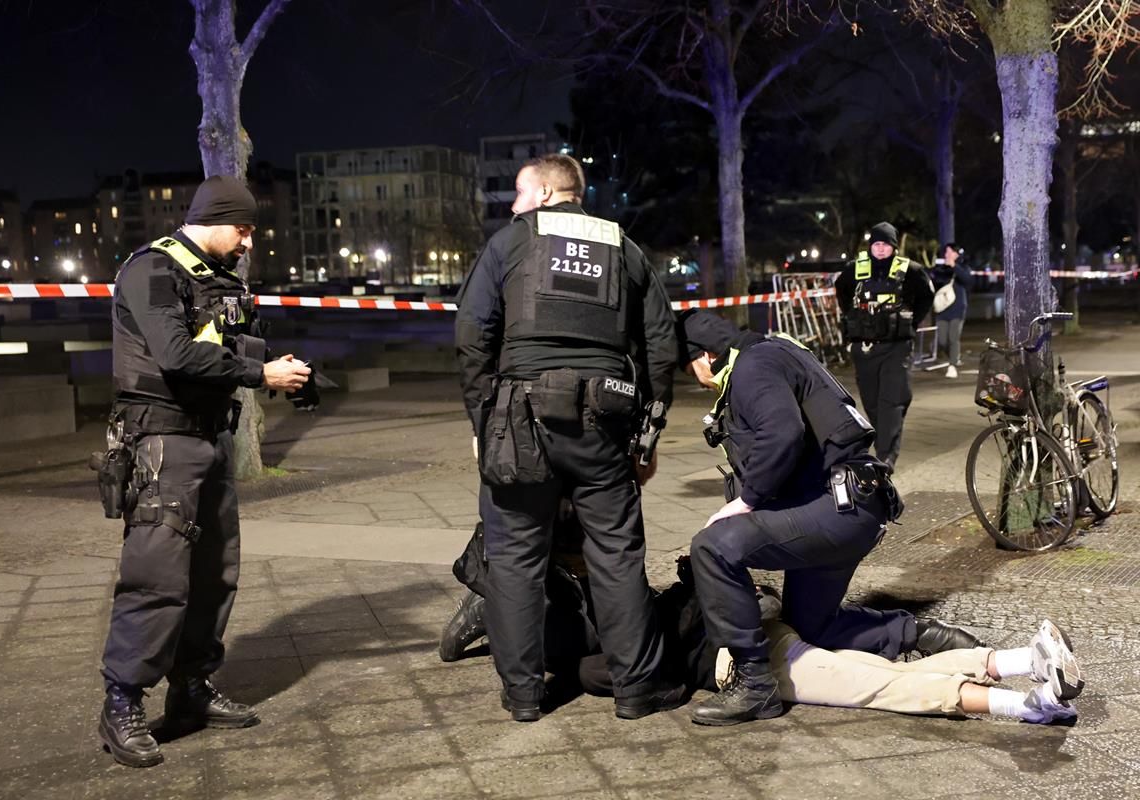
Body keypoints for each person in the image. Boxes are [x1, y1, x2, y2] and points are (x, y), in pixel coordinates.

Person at [454, 153, 681, 722]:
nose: (512, 205)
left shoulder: (511, 243)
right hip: (605, 419)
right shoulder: (624, 249)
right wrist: (648, 434)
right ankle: (635, 691)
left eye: (519, 193)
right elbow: (660, 343)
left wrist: (486, 417)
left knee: (514, 558)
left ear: (549, 193)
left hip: (520, 417)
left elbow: (471, 330)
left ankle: (525, 697)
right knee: (617, 554)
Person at [674, 309, 982, 726]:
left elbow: (782, 433)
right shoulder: (776, 351)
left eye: (689, 366)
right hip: (852, 503)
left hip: (837, 508)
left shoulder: (751, 366)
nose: (694, 379)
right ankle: (923, 635)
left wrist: (746, 501)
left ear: (705, 356)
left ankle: (754, 685)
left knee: (713, 546)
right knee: (811, 628)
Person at [97, 175, 311, 768]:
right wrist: (260, 377)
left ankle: (191, 689)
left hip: (208, 439)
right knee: (156, 576)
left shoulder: (217, 279)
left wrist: (286, 368)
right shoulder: (150, 270)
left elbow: (231, 344)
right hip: (161, 442)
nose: (247, 241)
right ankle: (123, 702)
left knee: (216, 574)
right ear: (214, 217)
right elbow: (175, 354)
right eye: (242, 228)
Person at [440, 563, 1082, 725]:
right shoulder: (620, 622)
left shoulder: (602, 654)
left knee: (868, 685)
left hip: (748, 653)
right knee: (856, 668)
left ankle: (1019, 702)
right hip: (754, 633)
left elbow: (630, 678)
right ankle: (1023, 662)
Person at [835, 222, 935, 469]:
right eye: (876, 244)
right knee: (871, 401)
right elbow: (841, 290)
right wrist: (853, 317)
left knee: (891, 399)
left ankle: (886, 455)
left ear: (893, 246)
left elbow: (926, 295)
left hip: (896, 345)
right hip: (865, 347)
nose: (880, 249)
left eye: (885, 245)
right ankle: (885, 440)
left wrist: (910, 322)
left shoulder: (909, 270)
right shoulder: (855, 269)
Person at [931, 243, 973, 379]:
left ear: (956, 254)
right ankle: (955, 356)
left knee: (953, 338)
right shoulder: (941, 268)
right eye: (946, 253)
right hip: (942, 308)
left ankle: (952, 365)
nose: (947, 255)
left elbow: (968, 280)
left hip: (958, 308)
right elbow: (935, 281)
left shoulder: (962, 267)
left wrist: (955, 266)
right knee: (942, 341)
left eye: (950, 252)